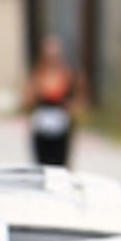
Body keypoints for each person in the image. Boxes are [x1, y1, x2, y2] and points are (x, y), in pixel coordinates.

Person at [22, 32, 86, 167]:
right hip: (42, 123)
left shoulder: (68, 75)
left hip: (61, 123)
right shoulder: (38, 75)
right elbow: (28, 99)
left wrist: (73, 110)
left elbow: (79, 98)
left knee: (60, 163)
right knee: (42, 163)